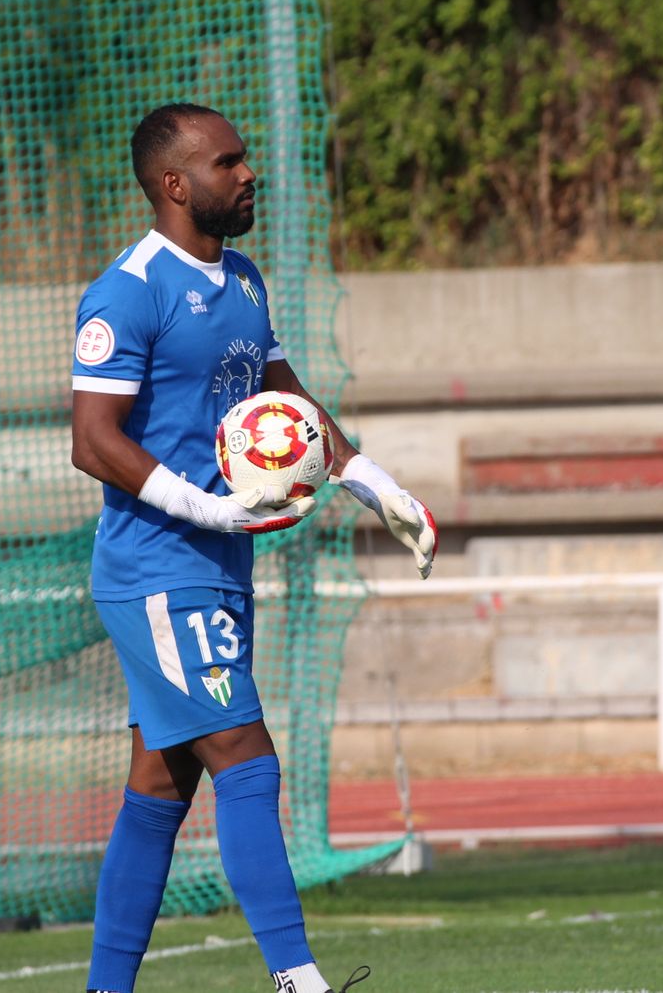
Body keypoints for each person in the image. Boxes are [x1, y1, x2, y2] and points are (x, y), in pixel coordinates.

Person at [70, 102, 437, 993]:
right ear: (174, 184)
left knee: (160, 788)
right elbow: (93, 439)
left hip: (217, 568)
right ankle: (298, 979)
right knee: (245, 753)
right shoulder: (130, 288)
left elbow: (286, 397)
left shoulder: (243, 280)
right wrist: (206, 508)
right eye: (228, 163)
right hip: (158, 571)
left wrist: (371, 480)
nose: (248, 174)